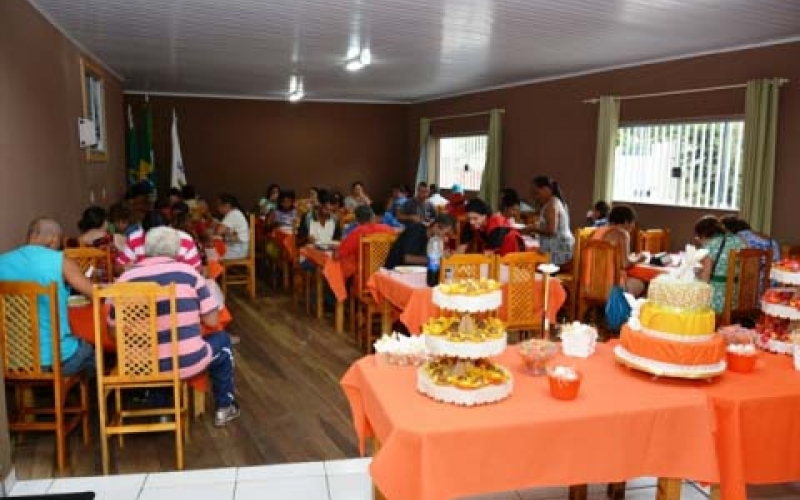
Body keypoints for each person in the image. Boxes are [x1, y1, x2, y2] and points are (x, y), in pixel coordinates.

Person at [115, 226, 240, 427]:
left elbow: (115, 332)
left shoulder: (125, 279)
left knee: (154, 348)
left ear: (146, 249)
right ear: (176, 250)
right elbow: (212, 322)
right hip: (187, 361)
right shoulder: (189, 274)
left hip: (141, 365)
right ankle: (225, 407)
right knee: (222, 342)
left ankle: (162, 409)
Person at [0, 218, 95, 376]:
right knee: (90, 350)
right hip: (58, 359)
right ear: (54, 239)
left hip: (12, 360)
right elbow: (94, 292)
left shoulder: (2, 262)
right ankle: (75, 394)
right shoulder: (60, 261)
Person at [591, 205, 646, 297]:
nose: (633, 226)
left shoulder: (598, 231)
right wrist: (640, 258)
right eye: (633, 222)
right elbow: (625, 264)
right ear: (626, 221)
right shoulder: (623, 234)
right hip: (612, 287)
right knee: (644, 283)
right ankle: (624, 310)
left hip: (591, 283)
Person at [694, 215, 745, 313]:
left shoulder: (711, 246)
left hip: (717, 300)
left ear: (704, 235)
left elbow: (706, 277)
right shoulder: (738, 241)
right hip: (736, 297)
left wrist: (697, 274)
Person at [525, 176, 575, 267]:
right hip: (562, 249)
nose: (535, 197)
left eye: (537, 193)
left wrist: (533, 229)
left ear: (546, 189)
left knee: (526, 265)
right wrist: (537, 228)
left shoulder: (552, 204)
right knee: (529, 259)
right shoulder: (556, 201)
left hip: (560, 253)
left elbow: (551, 230)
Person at [337, 205, 394, 275]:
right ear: (372, 216)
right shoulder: (388, 229)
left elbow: (337, 255)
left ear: (357, 220)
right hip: (382, 273)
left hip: (362, 275)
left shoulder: (358, 231)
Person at [385, 214, 456, 269]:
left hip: (414, 274)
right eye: (446, 234)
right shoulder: (415, 231)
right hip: (393, 272)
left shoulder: (435, 241)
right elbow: (407, 258)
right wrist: (436, 258)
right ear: (436, 226)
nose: (446, 239)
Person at [110, 201, 145, 272]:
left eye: (115, 223)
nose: (115, 226)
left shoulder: (132, 236)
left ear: (121, 222)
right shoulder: (139, 229)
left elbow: (120, 264)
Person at [215, 194, 250, 260]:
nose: (217, 208)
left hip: (237, 251)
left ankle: (218, 270)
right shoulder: (235, 212)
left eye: (218, 205)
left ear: (227, 205)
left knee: (211, 254)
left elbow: (219, 231)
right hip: (240, 249)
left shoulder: (232, 213)